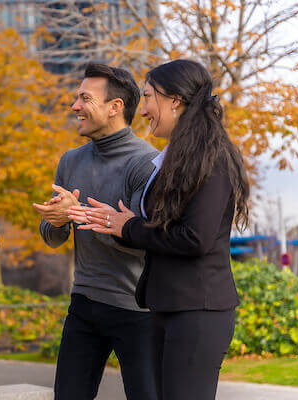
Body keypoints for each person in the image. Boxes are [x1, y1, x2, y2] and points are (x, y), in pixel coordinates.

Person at [69, 59, 250, 400]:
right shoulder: (174, 156)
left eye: (150, 97)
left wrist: (129, 228)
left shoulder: (213, 157)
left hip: (197, 311)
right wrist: (115, 220)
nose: (145, 110)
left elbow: (195, 238)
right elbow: (161, 224)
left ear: (175, 101)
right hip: (165, 306)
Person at [33, 63, 158, 400]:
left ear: (115, 107)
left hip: (136, 309)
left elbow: (146, 243)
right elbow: (52, 235)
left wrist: (83, 216)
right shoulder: (70, 161)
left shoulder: (146, 163)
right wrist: (58, 220)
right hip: (84, 303)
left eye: (85, 98)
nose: (75, 106)